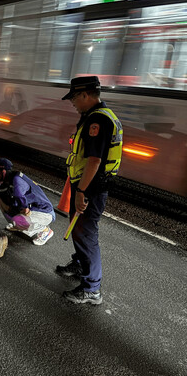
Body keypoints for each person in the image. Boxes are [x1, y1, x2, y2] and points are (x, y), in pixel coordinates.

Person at [56, 76, 123, 305]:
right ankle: (80, 264)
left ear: (85, 95)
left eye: (74, 97)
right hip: (86, 186)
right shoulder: (96, 116)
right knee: (79, 231)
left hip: (91, 189)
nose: (72, 102)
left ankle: (92, 289)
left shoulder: (98, 121)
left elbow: (94, 161)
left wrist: (81, 192)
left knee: (86, 234)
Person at [0, 158, 55, 246]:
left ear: (3, 172)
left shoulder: (18, 180)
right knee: (1, 200)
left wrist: (24, 209)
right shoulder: (8, 181)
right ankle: (18, 224)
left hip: (44, 212)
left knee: (19, 220)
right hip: (30, 209)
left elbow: (19, 195)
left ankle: (45, 230)